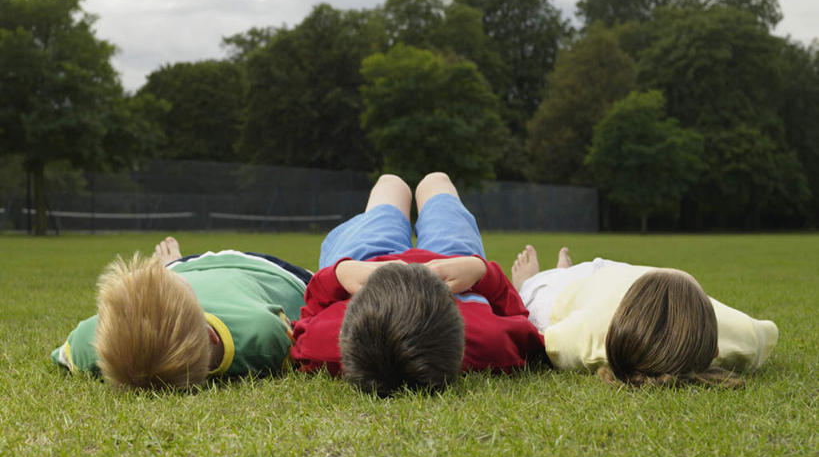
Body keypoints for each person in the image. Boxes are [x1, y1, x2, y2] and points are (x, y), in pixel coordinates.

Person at [290, 172, 545, 396]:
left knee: (391, 184)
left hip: (364, 262)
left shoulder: (325, 346)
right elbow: (525, 327)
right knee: (436, 181)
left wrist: (341, 273)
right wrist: (479, 270)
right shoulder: (489, 342)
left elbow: (303, 324)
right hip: (454, 263)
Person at [51, 237, 310, 390]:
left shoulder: (91, 344)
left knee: (172, 273)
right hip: (267, 270)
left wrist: (172, 269)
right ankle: (174, 267)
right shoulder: (260, 334)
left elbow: (66, 350)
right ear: (211, 336)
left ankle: (173, 263)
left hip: (186, 267)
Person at [511, 245, 779, 387]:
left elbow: (537, 336)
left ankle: (546, 276)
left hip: (583, 289)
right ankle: (563, 271)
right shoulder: (741, 335)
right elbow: (766, 331)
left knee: (533, 296)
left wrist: (529, 287)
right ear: (717, 348)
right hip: (635, 275)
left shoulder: (589, 333)